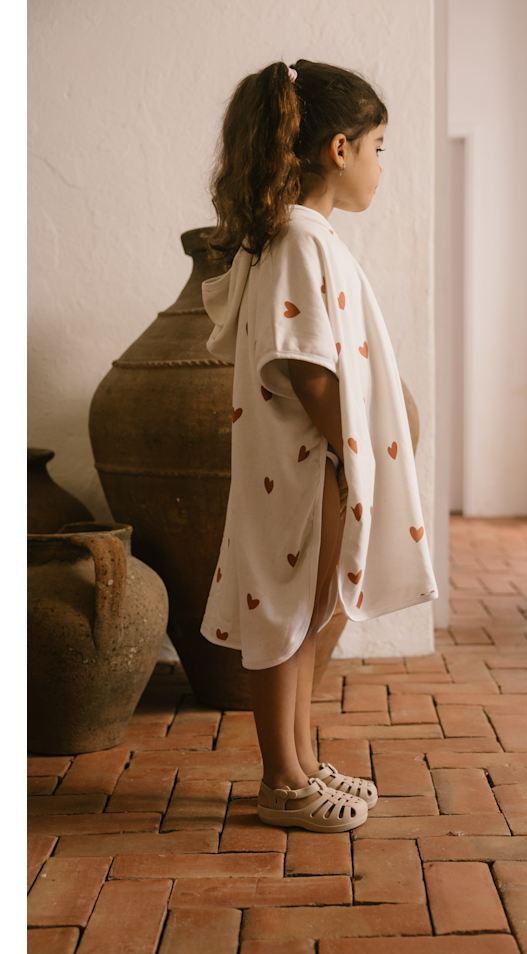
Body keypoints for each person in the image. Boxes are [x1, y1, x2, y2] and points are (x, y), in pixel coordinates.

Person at [199, 59, 439, 833]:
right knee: (286, 613)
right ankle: (282, 781)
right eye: (378, 147)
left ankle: (301, 763)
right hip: (306, 465)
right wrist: (352, 454)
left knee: (308, 610)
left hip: (307, 463)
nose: (381, 165)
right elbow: (304, 365)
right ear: (340, 149)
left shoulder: (299, 235)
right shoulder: (301, 237)